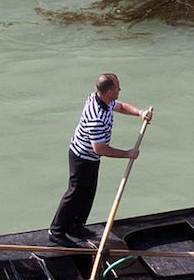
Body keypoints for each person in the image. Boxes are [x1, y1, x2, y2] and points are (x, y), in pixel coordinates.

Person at [49, 73, 152, 247]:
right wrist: (127, 154)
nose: (120, 89)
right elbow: (100, 148)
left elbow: (120, 107)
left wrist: (140, 113)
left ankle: (76, 226)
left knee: (88, 193)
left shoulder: (103, 99)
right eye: (117, 87)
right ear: (110, 91)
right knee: (74, 193)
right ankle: (56, 232)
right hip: (81, 157)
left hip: (91, 156)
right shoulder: (96, 116)